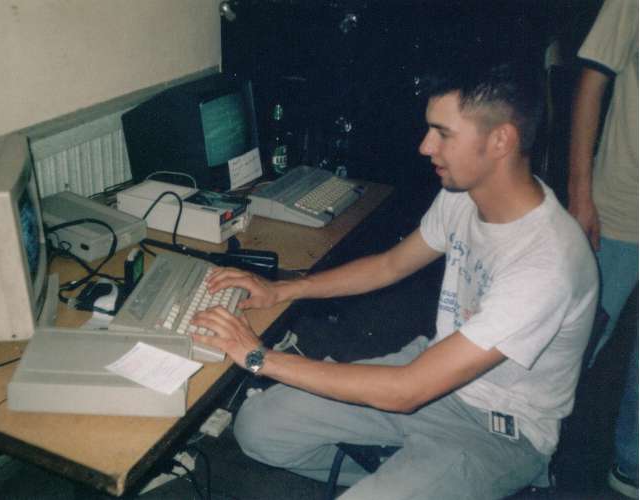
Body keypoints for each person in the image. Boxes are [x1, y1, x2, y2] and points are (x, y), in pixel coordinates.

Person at [192, 57, 599, 499]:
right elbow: (390, 265)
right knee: (258, 428)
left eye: (443, 133)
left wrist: (258, 357)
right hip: (430, 367)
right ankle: (407, 473)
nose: (425, 146)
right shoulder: (464, 196)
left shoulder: (546, 263)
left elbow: (407, 391)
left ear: (501, 140)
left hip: (499, 430)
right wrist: (284, 289)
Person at [567, 0, 638, 496]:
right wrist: (580, 193)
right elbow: (592, 82)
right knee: (573, 338)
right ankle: (517, 445)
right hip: (620, 205)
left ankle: (631, 465)